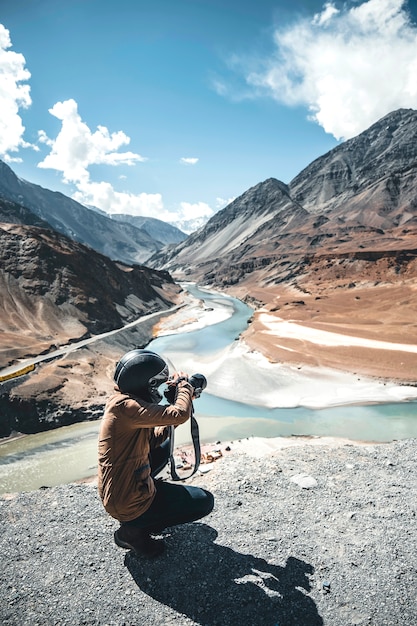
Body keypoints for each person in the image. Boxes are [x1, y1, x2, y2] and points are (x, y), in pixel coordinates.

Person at [97, 348, 214, 558]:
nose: (160, 389)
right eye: (158, 383)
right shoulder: (128, 407)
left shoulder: (123, 403)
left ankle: (142, 516)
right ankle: (133, 531)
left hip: (120, 489)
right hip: (127, 500)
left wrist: (170, 409)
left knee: (162, 448)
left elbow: (155, 439)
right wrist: (185, 387)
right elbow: (179, 414)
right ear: (149, 384)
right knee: (204, 501)